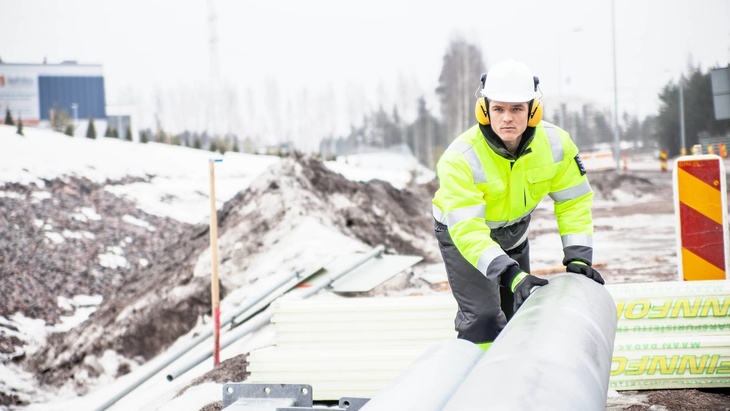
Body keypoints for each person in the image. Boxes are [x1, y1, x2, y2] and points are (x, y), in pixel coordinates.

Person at [431, 59, 604, 351]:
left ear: (533, 111)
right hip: (463, 235)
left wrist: (578, 256)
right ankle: (481, 384)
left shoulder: (556, 144)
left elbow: (574, 201)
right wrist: (509, 273)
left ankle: (512, 378)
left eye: (516, 109)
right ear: (484, 110)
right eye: (498, 109)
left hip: (514, 232)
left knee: (518, 313)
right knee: (484, 318)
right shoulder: (460, 158)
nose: (507, 118)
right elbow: (468, 230)